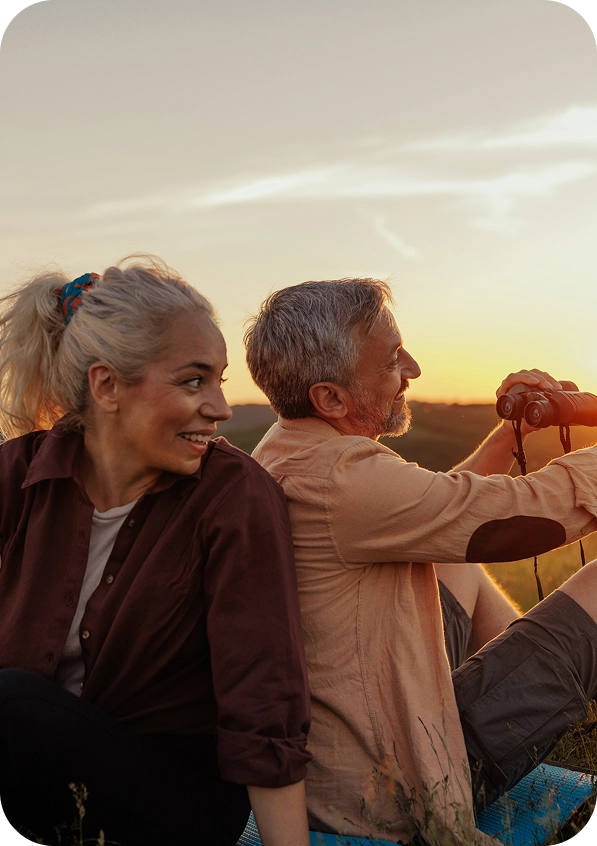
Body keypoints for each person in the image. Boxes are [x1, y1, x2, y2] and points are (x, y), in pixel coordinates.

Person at [244, 277, 597, 846]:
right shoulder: (341, 480)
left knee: (454, 561)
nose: (412, 369)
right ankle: (543, 697)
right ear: (330, 398)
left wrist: (510, 436)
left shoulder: (289, 445)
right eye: (391, 360)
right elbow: (523, 517)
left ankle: (542, 694)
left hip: (356, 741)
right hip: (404, 784)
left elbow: (442, 509)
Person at [0, 256, 311, 846]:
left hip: (176, 792)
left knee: (11, 705)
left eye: (219, 381)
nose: (220, 408)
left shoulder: (234, 496)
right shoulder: (19, 474)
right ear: (107, 386)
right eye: (194, 381)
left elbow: (265, 699)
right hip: (34, 765)